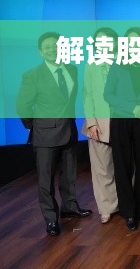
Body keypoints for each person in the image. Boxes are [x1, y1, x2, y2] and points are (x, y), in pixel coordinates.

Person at [16, 31, 91, 236]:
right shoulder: (32, 75)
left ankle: (70, 207)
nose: (52, 50)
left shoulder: (72, 69)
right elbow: (22, 106)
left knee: (69, 174)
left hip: (69, 131)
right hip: (45, 136)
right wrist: (36, 126)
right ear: (41, 52)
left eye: (56, 46)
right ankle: (50, 218)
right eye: (47, 47)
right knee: (46, 180)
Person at [104, 27, 140, 231]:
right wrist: (131, 108)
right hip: (121, 120)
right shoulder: (117, 66)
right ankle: (128, 212)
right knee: (122, 166)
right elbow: (108, 95)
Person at [82, 27, 119, 224]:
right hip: (99, 124)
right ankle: (106, 208)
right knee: (102, 169)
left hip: (122, 122)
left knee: (126, 167)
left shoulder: (125, 62)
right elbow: (87, 96)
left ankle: (124, 204)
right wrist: (91, 123)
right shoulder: (91, 66)